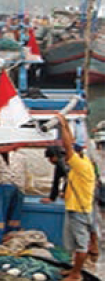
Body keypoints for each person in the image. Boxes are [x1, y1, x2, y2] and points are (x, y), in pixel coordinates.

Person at [42, 145, 101, 264]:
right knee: (91, 220)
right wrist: (64, 191)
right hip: (88, 195)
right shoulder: (81, 160)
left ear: (54, 156)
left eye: (50, 158)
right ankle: (93, 245)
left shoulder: (65, 163)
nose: (50, 161)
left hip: (81, 202)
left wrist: (52, 198)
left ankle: (78, 268)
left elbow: (59, 181)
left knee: (81, 239)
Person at [55, 116, 97, 281]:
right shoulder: (83, 160)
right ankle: (74, 269)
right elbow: (71, 144)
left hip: (79, 210)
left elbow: (68, 146)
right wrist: (64, 124)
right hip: (77, 208)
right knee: (73, 243)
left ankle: (76, 274)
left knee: (81, 244)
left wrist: (62, 125)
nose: (66, 157)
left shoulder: (81, 166)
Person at [0, 151, 28, 244]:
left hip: (5, 185)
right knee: (14, 217)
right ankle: (12, 240)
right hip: (20, 187)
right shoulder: (22, 155)